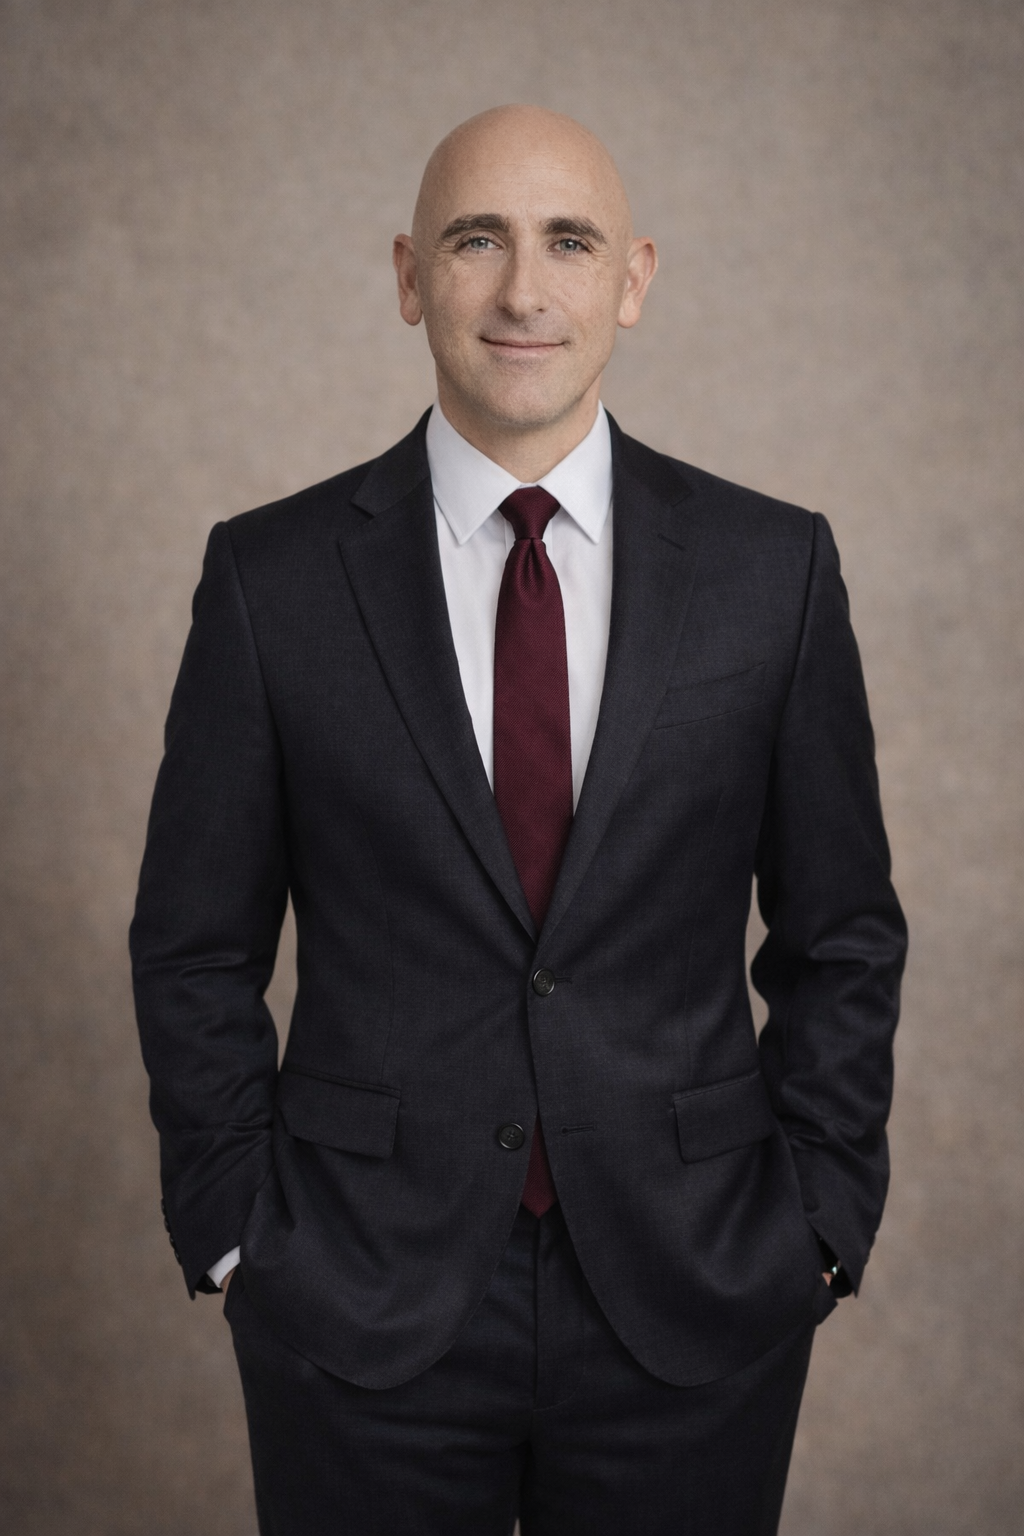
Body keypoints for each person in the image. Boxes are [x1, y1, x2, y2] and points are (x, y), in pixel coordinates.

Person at [130, 105, 907, 1535]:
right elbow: (191, 946)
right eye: (476, 240)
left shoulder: (770, 570)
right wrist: (242, 1235)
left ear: (637, 277)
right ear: (410, 273)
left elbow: (843, 932)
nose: (523, 292)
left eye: (570, 242)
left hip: (698, 1280)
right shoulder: (272, 579)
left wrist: (819, 1224)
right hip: (356, 1289)